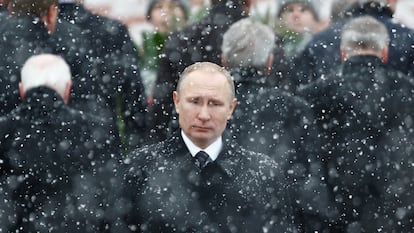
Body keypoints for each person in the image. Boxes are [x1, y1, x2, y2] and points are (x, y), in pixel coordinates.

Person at [121, 62, 295, 232]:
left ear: (230, 108)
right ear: (177, 102)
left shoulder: (264, 174)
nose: (204, 115)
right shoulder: (140, 167)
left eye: (214, 103)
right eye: (195, 101)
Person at [299, 16, 414, 232]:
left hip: (332, 216)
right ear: (385, 53)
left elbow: (304, 161)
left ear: (343, 53)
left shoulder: (313, 95)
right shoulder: (408, 92)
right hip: (398, 216)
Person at [221, 17, 332, 232]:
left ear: (224, 59)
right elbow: (311, 183)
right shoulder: (293, 108)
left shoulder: (203, 108)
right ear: (270, 62)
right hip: (277, 222)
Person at [0, 54, 120, 232]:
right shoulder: (98, 131)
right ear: (67, 89)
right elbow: (111, 197)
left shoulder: (5, 131)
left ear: (21, 90)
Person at [58, 0, 148, 151]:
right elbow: (133, 97)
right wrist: (136, 151)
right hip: (102, 142)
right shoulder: (111, 30)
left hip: (41, 148)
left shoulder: (30, 31)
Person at [291, 0, 414, 90]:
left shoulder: (321, 40)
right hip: (396, 120)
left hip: (332, 119)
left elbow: (300, 87)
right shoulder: (407, 38)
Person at [138, 0, 188, 100]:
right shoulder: (142, 49)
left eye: (173, 6)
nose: (166, 11)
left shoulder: (195, 45)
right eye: (159, 7)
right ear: (149, 16)